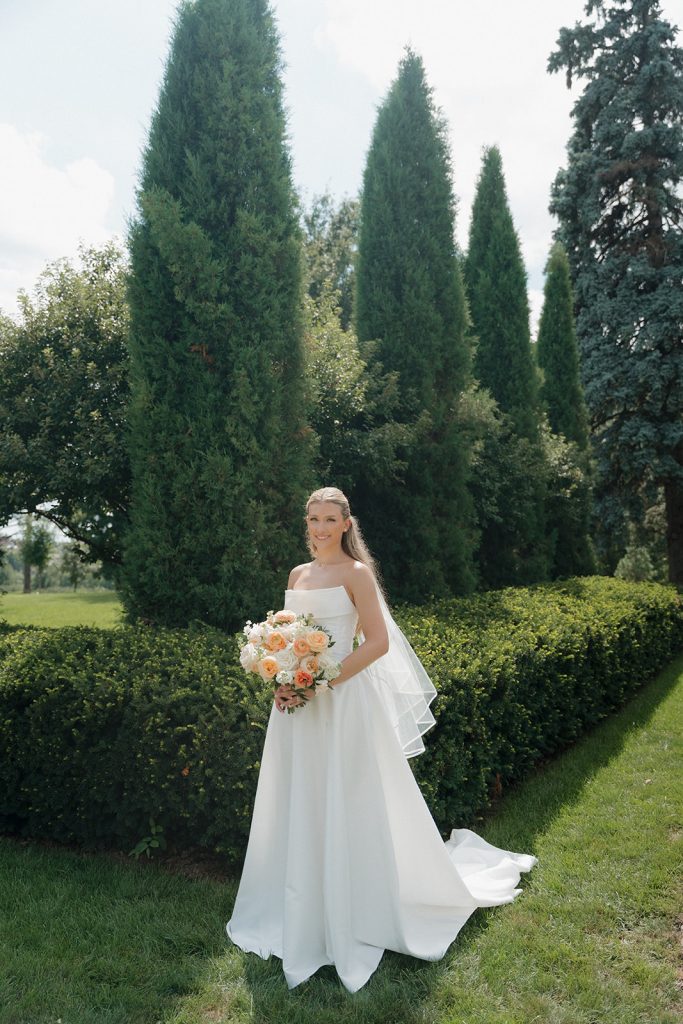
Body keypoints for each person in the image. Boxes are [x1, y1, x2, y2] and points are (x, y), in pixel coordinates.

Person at [226, 486, 537, 992]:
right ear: (306, 523)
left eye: (330, 519)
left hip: (342, 701)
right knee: (300, 796)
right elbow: (287, 639)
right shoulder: (297, 575)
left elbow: (378, 642)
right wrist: (282, 677)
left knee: (350, 798)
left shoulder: (357, 574)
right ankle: (300, 904)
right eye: (313, 519)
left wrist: (321, 679)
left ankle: (357, 907)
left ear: (346, 524)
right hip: (297, 707)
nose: (321, 528)